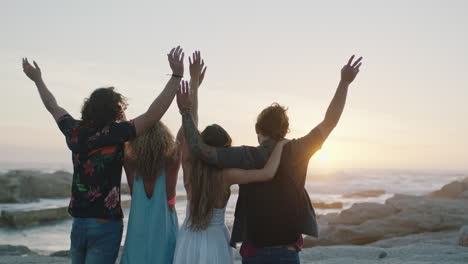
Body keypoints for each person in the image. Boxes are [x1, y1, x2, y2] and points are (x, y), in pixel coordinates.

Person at [180, 55, 363, 263]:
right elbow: (330, 121)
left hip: (254, 253)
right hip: (287, 252)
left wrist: (186, 109)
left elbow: (199, 148)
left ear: (258, 129)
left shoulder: (244, 155)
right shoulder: (297, 149)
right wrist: (344, 83)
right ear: (284, 130)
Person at [21, 46, 185, 264]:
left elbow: (53, 106)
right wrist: (176, 77)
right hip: (105, 224)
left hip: (78, 223)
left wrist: (38, 80)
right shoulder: (116, 133)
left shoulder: (74, 130)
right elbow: (154, 114)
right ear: (115, 111)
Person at [172, 52, 289, 264]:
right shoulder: (227, 175)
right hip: (215, 241)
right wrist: (280, 145)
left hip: (188, 239)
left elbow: (192, 130)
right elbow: (266, 174)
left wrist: (194, 89)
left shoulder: (189, 165)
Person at [120, 51, 206, 264]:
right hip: (164, 232)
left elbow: (122, 131)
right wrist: (193, 86)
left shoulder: (130, 161)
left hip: (136, 235)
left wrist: (121, 112)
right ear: (164, 138)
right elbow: (190, 127)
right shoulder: (173, 158)